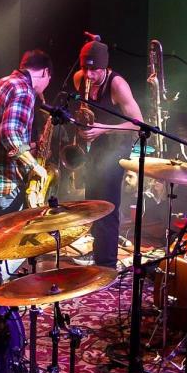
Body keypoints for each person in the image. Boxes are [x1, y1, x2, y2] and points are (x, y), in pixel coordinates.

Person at [72, 39, 143, 269]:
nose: (89, 75)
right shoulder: (78, 79)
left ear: (105, 67)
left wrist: (102, 129)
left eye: (95, 70)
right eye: (86, 69)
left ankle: (107, 264)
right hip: (95, 144)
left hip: (117, 145)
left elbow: (138, 124)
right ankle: (97, 251)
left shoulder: (117, 85)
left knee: (108, 204)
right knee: (91, 202)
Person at [0, 49, 52, 214]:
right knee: (14, 237)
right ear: (45, 72)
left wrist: (33, 146)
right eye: (49, 80)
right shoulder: (24, 90)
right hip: (2, 183)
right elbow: (9, 133)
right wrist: (34, 165)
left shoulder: (2, 83)